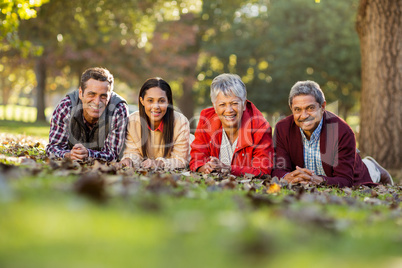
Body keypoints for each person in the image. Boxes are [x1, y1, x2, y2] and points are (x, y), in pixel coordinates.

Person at [272, 80, 393, 187]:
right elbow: (279, 169)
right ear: (291, 109)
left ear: (322, 106)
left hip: (356, 173)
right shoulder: (282, 129)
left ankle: (373, 167)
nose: (304, 116)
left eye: (310, 108)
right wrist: (288, 176)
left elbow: (345, 180)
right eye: (297, 109)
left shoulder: (342, 131)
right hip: (314, 177)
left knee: (366, 171)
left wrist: (318, 180)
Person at [189, 73, 274, 177]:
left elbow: (263, 171)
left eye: (234, 103)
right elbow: (196, 158)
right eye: (222, 105)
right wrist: (205, 167)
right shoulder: (206, 119)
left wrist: (228, 169)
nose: (229, 110)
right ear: (215, 107)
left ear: (243, 104)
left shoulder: (260, 127)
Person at [46, 67, 129, 161]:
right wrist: (69, 155)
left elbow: (112, 154)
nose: (97, 102)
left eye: (103, 96)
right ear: (81, 93)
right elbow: (53, 148)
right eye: (92, 94)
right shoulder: (66, 106)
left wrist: (88, 154)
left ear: (110, 95)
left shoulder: (118, 109)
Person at [119, 77, 190, 169]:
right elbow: (133, 152)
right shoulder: (133, 121)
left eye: (161, 101)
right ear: (142, 101)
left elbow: (180, 160)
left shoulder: (180, 122)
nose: (156, 106)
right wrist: (129, 160)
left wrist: (159, 163)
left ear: (168, 102)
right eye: (150, 100)